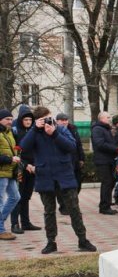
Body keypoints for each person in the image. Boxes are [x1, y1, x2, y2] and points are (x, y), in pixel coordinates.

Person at [21, 107, 96, 254]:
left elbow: (71, 146)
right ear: (38, 120)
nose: (50, 121)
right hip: (45, 177)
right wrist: (34, 129)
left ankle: (83, 240)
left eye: (50, 117)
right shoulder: (34, 133)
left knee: (74, 210)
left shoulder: (60, 130)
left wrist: (54, 133)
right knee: (49, 212)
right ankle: (51, 242)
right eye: (45, 119)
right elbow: (24, 147)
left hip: (64, 176)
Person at [10, 105, 40, 234]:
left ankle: (26, 223)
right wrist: (26, 164)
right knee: (18, 197)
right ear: (21, 120)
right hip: (20, 169)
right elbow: (16, 152)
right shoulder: (16, 132)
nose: (28, 122)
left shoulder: (34, 132)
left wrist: (35, 165)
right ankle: (14, 223)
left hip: (33, 169)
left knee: (27, 196)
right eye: (25, 119)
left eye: (30, 120)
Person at [54, 113, 86, 215]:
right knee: (62, 186)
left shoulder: (73, 128)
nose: (64, 122)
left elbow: (79, 144)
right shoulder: (55, 131)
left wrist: (81, 158)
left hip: (75, 160)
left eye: (66, 120)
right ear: (57, 121)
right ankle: (63, 206)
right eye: (62, 120)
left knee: (77, 184)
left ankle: (73, 205)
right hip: (62, 162)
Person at [91, 111, 118, 215]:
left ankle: (105, 203)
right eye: (107, 117)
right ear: (101, 118)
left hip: (108, 160)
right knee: (107, 183)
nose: (109, 119)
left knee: (110, 182)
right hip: (102, 160)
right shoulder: (98, 129)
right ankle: (104, 207)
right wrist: (115, 149)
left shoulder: (105, 128)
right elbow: (100, 144)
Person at [0, 109, 21, 240]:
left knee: (15, 197)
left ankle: (0, 222)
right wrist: (10, 159)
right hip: (1, 172)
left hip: (11, 172)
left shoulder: (10, 133)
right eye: (7, 119)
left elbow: (14, 150)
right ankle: (1, 230)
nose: (10, 121)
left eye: (11, 119)